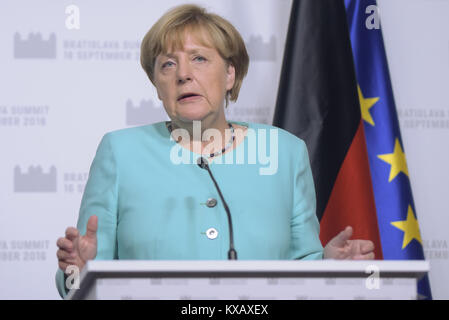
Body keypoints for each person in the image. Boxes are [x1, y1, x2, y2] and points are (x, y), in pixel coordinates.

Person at [55, 4, 375, 299]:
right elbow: (75, 285)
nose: (183, 74)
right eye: (167, 64)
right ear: (157, 85)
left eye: (199, 58)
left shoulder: (284, 152)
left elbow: (300, 269)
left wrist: (329, 268)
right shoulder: (120, 152)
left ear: (230, 75)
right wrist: (78, 270)